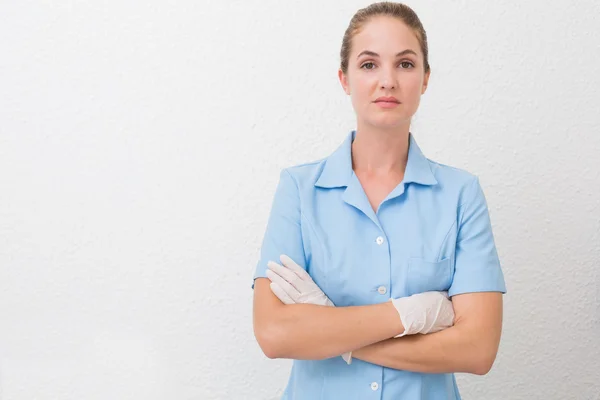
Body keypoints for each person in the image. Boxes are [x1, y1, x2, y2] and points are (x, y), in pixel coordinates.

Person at [251, 2, 506, 399]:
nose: (387, 80)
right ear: (345, 79)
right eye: (369, 64)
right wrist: (415, 315)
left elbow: (477, 349)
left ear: (424, 79)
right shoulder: (298, 191)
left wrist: (330, 328)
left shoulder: (461, 194)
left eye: (405, 64)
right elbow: (273, 334)